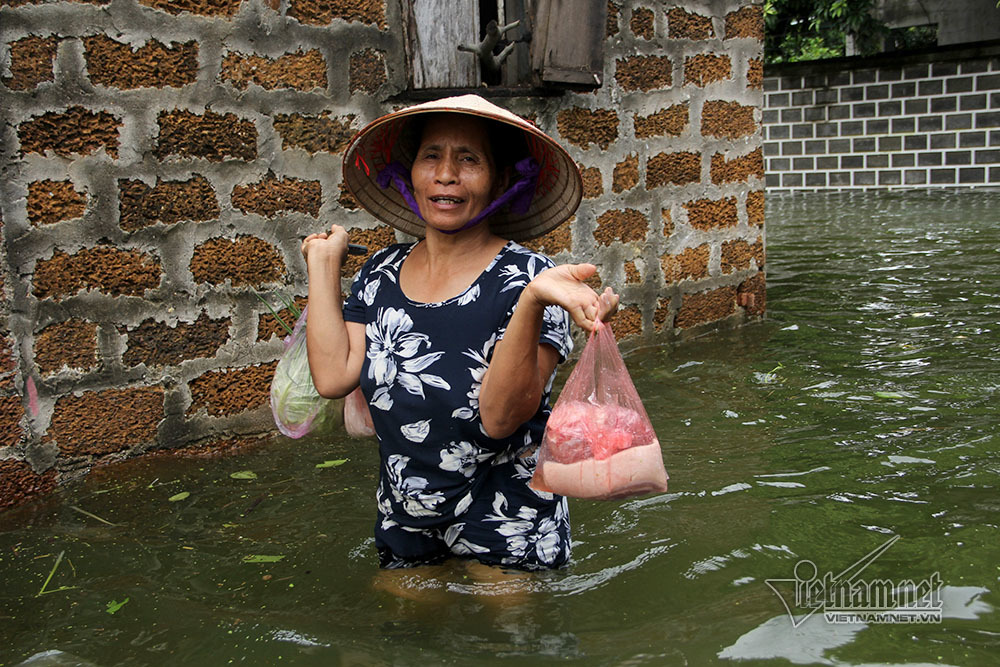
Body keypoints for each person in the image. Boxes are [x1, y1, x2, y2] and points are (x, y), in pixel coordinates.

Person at [300, 95, 618, 571]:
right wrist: (323, 265)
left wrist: (531, 300)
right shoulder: (380, 273)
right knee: (400, 637)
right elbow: (331, 378)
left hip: (509, 516)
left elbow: (500, 419)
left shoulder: (533, 279)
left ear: (502, 180)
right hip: (407, 512)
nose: (446, 174)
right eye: (432, 156)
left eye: (469, 160)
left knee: (503, 640)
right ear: (412, 173)